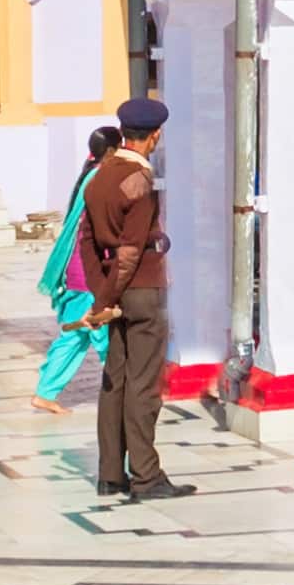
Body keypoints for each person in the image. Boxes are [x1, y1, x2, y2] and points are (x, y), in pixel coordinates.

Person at [80, 96, 193, 502]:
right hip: (142, 289)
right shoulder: (139, 183)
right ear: (155, 136)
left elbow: (87, 241)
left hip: (114, 291)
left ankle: (111, 473)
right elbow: (130, 251)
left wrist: (101, 295)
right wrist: (108, 295)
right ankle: (146, 477)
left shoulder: (100, 177)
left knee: (116, 382)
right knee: (143, 386)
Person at [31, 125, 120, 412]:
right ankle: (122, 392)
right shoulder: (100, 179)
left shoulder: (90, 175)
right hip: (88, 275)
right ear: (112, 151)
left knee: (74, 336)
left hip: (77, 273)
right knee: (105, 335)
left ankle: (45, 392)